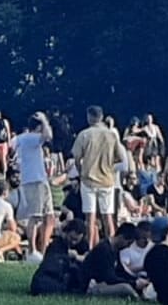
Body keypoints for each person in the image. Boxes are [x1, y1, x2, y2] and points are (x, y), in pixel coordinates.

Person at [72, 106, 123, 249]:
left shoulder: (84, 135)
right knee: (108, 217)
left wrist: (81, 171)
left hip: (89, 179)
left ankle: (90, 248)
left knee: (90, 217)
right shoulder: (111, 135)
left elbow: (76, 157)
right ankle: (113, 247)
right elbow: (119, 158)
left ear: (90, 116)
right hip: (107, 179)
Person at [10, 111, 55, 261]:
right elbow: (48, 136)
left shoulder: (22, 138)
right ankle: (32, 251)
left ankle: (42, 248)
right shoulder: (32, 138)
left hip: (39, 180)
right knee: (35, 217)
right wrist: (44, 121)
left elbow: (11, 147)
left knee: (49, 216)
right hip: (35, 181)